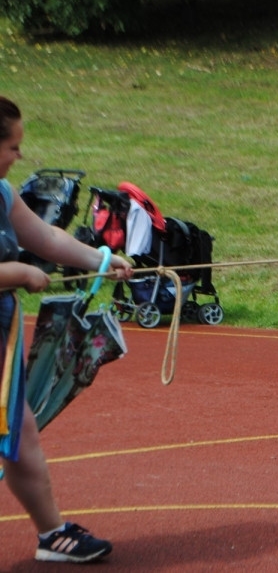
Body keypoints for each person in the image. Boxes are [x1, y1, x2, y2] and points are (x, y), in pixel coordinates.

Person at [0, 96, 133, 563]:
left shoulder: (2, 193)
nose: (19, 156)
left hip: (1, 337)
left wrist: (100, 258)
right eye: (13, 146)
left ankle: (52, 534)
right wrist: (16, 275)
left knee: (18, 432)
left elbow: (46, 237)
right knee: (16, 431)